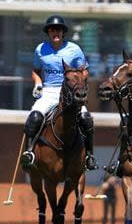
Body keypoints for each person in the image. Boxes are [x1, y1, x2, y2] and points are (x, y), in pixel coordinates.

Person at [20, 15, 97, 171]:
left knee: (86, 119)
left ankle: (89, 155)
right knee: (34, 117)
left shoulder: (74, 49)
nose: (55, 32)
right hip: (49, 91)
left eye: (58, 30)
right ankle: (29, 153)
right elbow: (36, 71)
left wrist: (77, 83)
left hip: (70, 93)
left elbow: (85, 71)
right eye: (52, 30)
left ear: (63, 32)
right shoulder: (40, 49)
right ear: (48, 32)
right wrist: (38, 83)